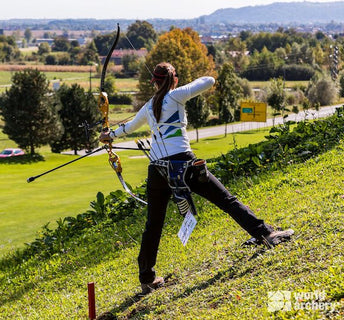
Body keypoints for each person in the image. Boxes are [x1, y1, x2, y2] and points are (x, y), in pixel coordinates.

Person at [99, 62, 294, 295]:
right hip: (183, 164)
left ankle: (147, 279)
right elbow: (209, 81)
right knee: (225, 199)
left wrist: (108, 136)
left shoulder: (149, 106)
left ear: (154, 82)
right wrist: (178, 84)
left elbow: (128, 128)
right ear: (173, 80)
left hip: (158, 171)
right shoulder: (176, 96)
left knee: (154, 224)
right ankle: (266, 234)